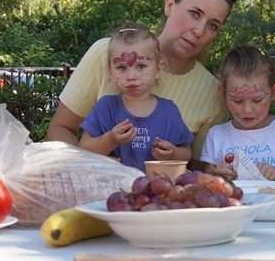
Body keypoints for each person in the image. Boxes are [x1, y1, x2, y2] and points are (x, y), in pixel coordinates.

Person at [47, 0, 239, 171]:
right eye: (195, 13)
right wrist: (92, 167)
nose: (199, 30)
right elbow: (60, 129)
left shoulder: (212, 93)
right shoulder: (106, 53)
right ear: (170, 5)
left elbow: (197, 168)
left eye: (213, 25)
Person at [79, 24, 193, 172]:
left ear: (158, 69)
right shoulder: (106, 107)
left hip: (156, 190)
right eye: (122, 68)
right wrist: (110, 140)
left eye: (140, 66)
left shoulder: (169, 111)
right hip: (114, 189)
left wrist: (173, 153)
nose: (131, 76)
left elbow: (187, 153)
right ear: (111, 72)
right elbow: (83, 149)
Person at [200, 45, 275, 189]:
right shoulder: (216, 135)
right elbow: (205, 183)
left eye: (257, 100)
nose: (247, 110)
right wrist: (218, 176)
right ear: (223, 93)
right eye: (237, 101)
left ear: (274, 91)